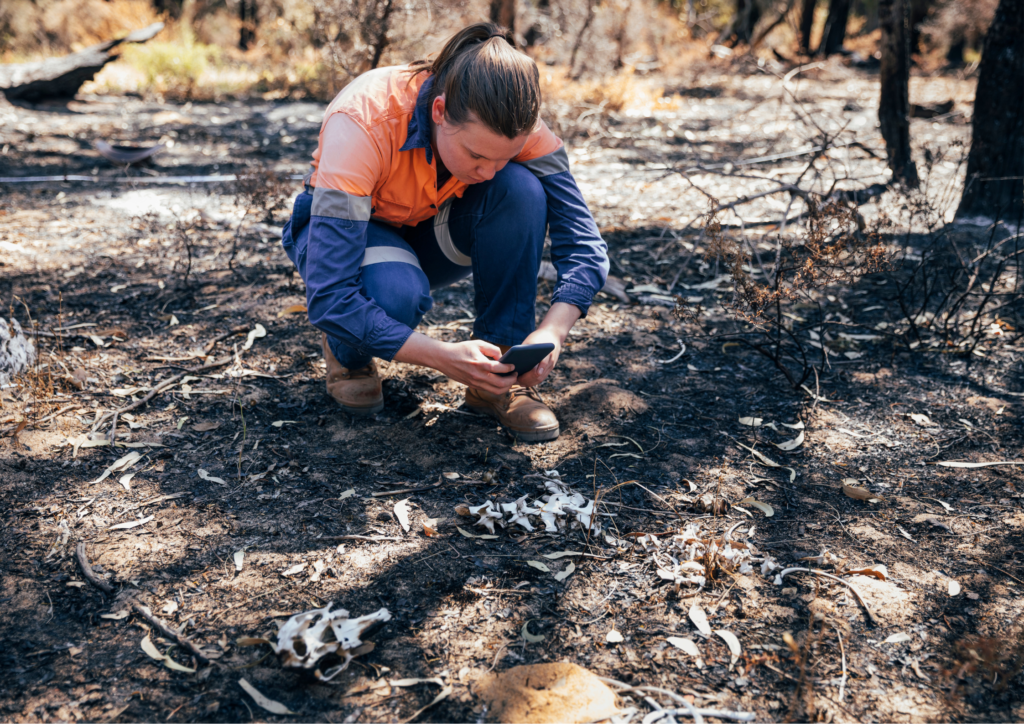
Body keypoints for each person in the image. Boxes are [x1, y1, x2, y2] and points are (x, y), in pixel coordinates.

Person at [281, 21, 608, 442]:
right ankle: (349, 355)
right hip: (353, 238)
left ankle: (498, 373)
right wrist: (442, 358)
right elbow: (330, 296)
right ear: (439, 111)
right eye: (476, 155)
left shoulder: (514, 125)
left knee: (522, 189)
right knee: (395, 294)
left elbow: (584, 242)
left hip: (428, 227)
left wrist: (552, 331)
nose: (487, 171)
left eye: (502, 157)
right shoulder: (362, 122)